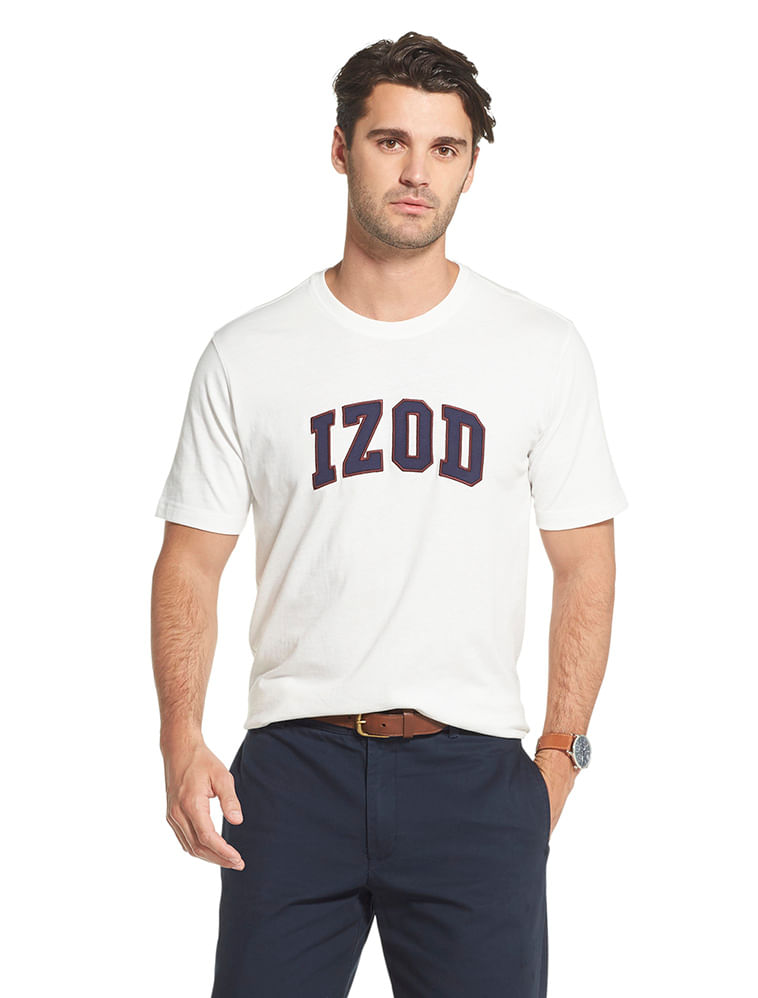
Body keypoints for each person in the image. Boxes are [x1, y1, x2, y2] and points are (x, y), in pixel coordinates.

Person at [151, 30, 628, 998]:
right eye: (389, 141)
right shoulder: (249, 352)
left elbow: (584, 560)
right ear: (341, 149)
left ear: (469, 167)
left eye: (443, 147)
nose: (416, 173)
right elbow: (190, 561)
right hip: (293, 767)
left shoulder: (538, 348)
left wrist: (559, 755)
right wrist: (178, 738)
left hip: (474, 775)